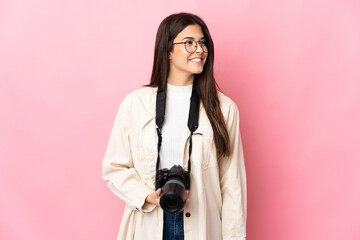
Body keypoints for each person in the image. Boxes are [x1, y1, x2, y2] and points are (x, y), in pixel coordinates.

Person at [102, 12, 247, 240]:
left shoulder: (224, 108)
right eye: (189, 43)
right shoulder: (136, 104)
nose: (199, 50)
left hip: (203, 225)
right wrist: (149, 196)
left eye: (202, 42)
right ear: (168, 50)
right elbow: (114, 168)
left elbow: (232, 184)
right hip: (150, 221)